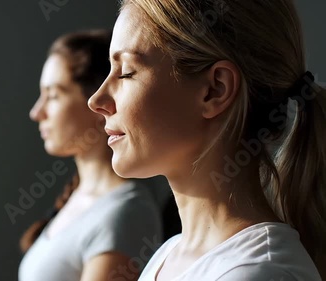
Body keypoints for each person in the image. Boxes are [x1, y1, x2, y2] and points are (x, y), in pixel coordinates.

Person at [88, 0, 326, 280]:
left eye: (127, 72)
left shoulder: (259, 273)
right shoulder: (167, 256)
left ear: (215, 89)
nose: (96, 100)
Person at [18, 30, 179, 281]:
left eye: (54, 95)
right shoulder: (77, 199)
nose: (37, 112)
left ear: (97, 103)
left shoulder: (126, 211)